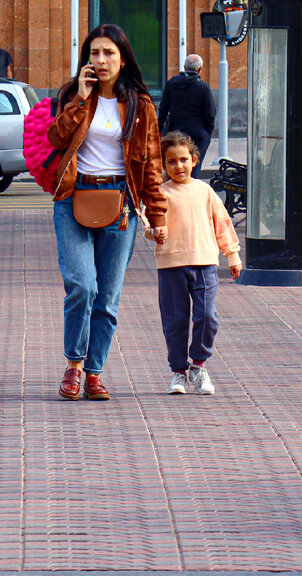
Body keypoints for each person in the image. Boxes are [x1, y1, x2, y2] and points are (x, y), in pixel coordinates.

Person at [48, 23, 167, 401]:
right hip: (73, 197)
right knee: (82, 285)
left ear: (122, 58)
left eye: (108, 53)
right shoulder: (73, 94)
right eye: (94, 53)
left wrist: (157, 216)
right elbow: (56, 138)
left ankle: (95, 373)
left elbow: (150, 165)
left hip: (120, 203)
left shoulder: (140, 106)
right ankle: (74, 365)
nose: (100, 60)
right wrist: (81, 99)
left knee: (108, 297)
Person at [147, 131, 241, 396]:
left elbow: (222, 223)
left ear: (194, 160)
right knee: (175, 321)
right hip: (171, 266)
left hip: (204, 263)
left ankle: (198, 365)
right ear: (164, 166)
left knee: (207, 317)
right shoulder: (160, 193)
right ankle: (178, 372)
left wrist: (232, 255)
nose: (179, 166)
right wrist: (154, 230)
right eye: (172, 162)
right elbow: (147, 219)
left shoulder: (204, 191)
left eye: (184, 160)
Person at [157, 53, 216, 178]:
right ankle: (190, 187)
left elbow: (163, 109)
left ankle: (173, 189)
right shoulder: (203, 87)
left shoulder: (171, 84)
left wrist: (159, 129)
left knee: (174, 163)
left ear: (184, 67)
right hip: (198, 133)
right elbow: (210, 113)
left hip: (176, 131)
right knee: (194, 164)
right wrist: (207, 131)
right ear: (200, 70)